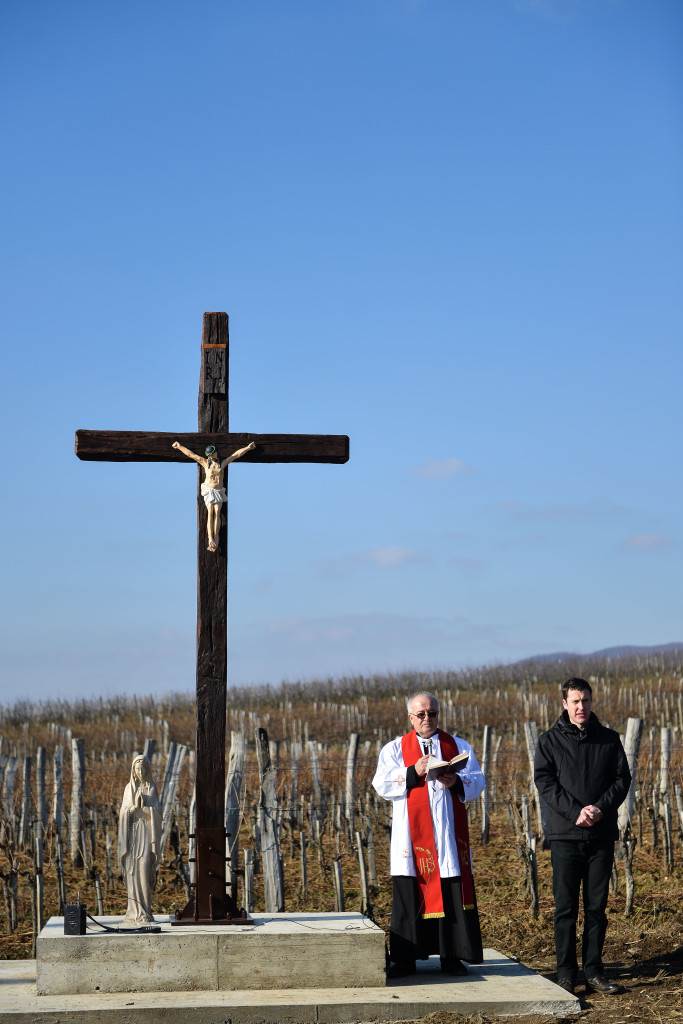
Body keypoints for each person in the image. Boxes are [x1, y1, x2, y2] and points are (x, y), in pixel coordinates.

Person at [372, 691, 485, 977]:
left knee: (450, 890)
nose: (427, 718)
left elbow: (478, 779)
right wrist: (412, 771)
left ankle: (452, 957)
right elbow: (381, 783)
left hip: (447, 837)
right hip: (412, 840)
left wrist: (455, 779)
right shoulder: (396, 749)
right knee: (410, 897)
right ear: (410, 717)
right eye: (420, 714)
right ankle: (405, 960)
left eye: (432, 713)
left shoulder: (455, 745)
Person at [534, 677, 631, 996]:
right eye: (575, 701)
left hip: (600, 835)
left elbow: (622, 778)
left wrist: (600, 809)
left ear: (592, 702)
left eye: (586, 700)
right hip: (565, 835)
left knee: (596, 907)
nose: (581, 706)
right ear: (564, 703)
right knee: (565, 908)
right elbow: (545, 782)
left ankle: (594, 970)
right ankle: (565, 972)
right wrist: (575, 811)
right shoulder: (550, 741)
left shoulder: (608, 739)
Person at [171, 439, 256, 551]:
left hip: (218, 491)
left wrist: (248, 448)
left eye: (212, 454)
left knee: (217, 513)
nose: (211, 456)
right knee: (210, 512)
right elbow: (192, 455)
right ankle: (210, 538)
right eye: (209, 455)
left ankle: (216, 537)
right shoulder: (206, 463)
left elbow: (235, 455)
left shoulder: (222, 463)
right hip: (209, 490)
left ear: (215, 453)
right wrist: (179, 446)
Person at [118, 754, 162, 924]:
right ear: (133, 771)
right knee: (132, 871)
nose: (140, 770)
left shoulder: (151, 788)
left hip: (145, 835)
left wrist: (146, 809)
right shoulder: (128, 789)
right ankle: (133, 911)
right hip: (131, 836)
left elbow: (157, 813)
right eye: (137, 768)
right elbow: (123, 812)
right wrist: (132, 809)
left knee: (143, 869)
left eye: (143, 767)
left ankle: (145, 910)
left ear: (147, 769)